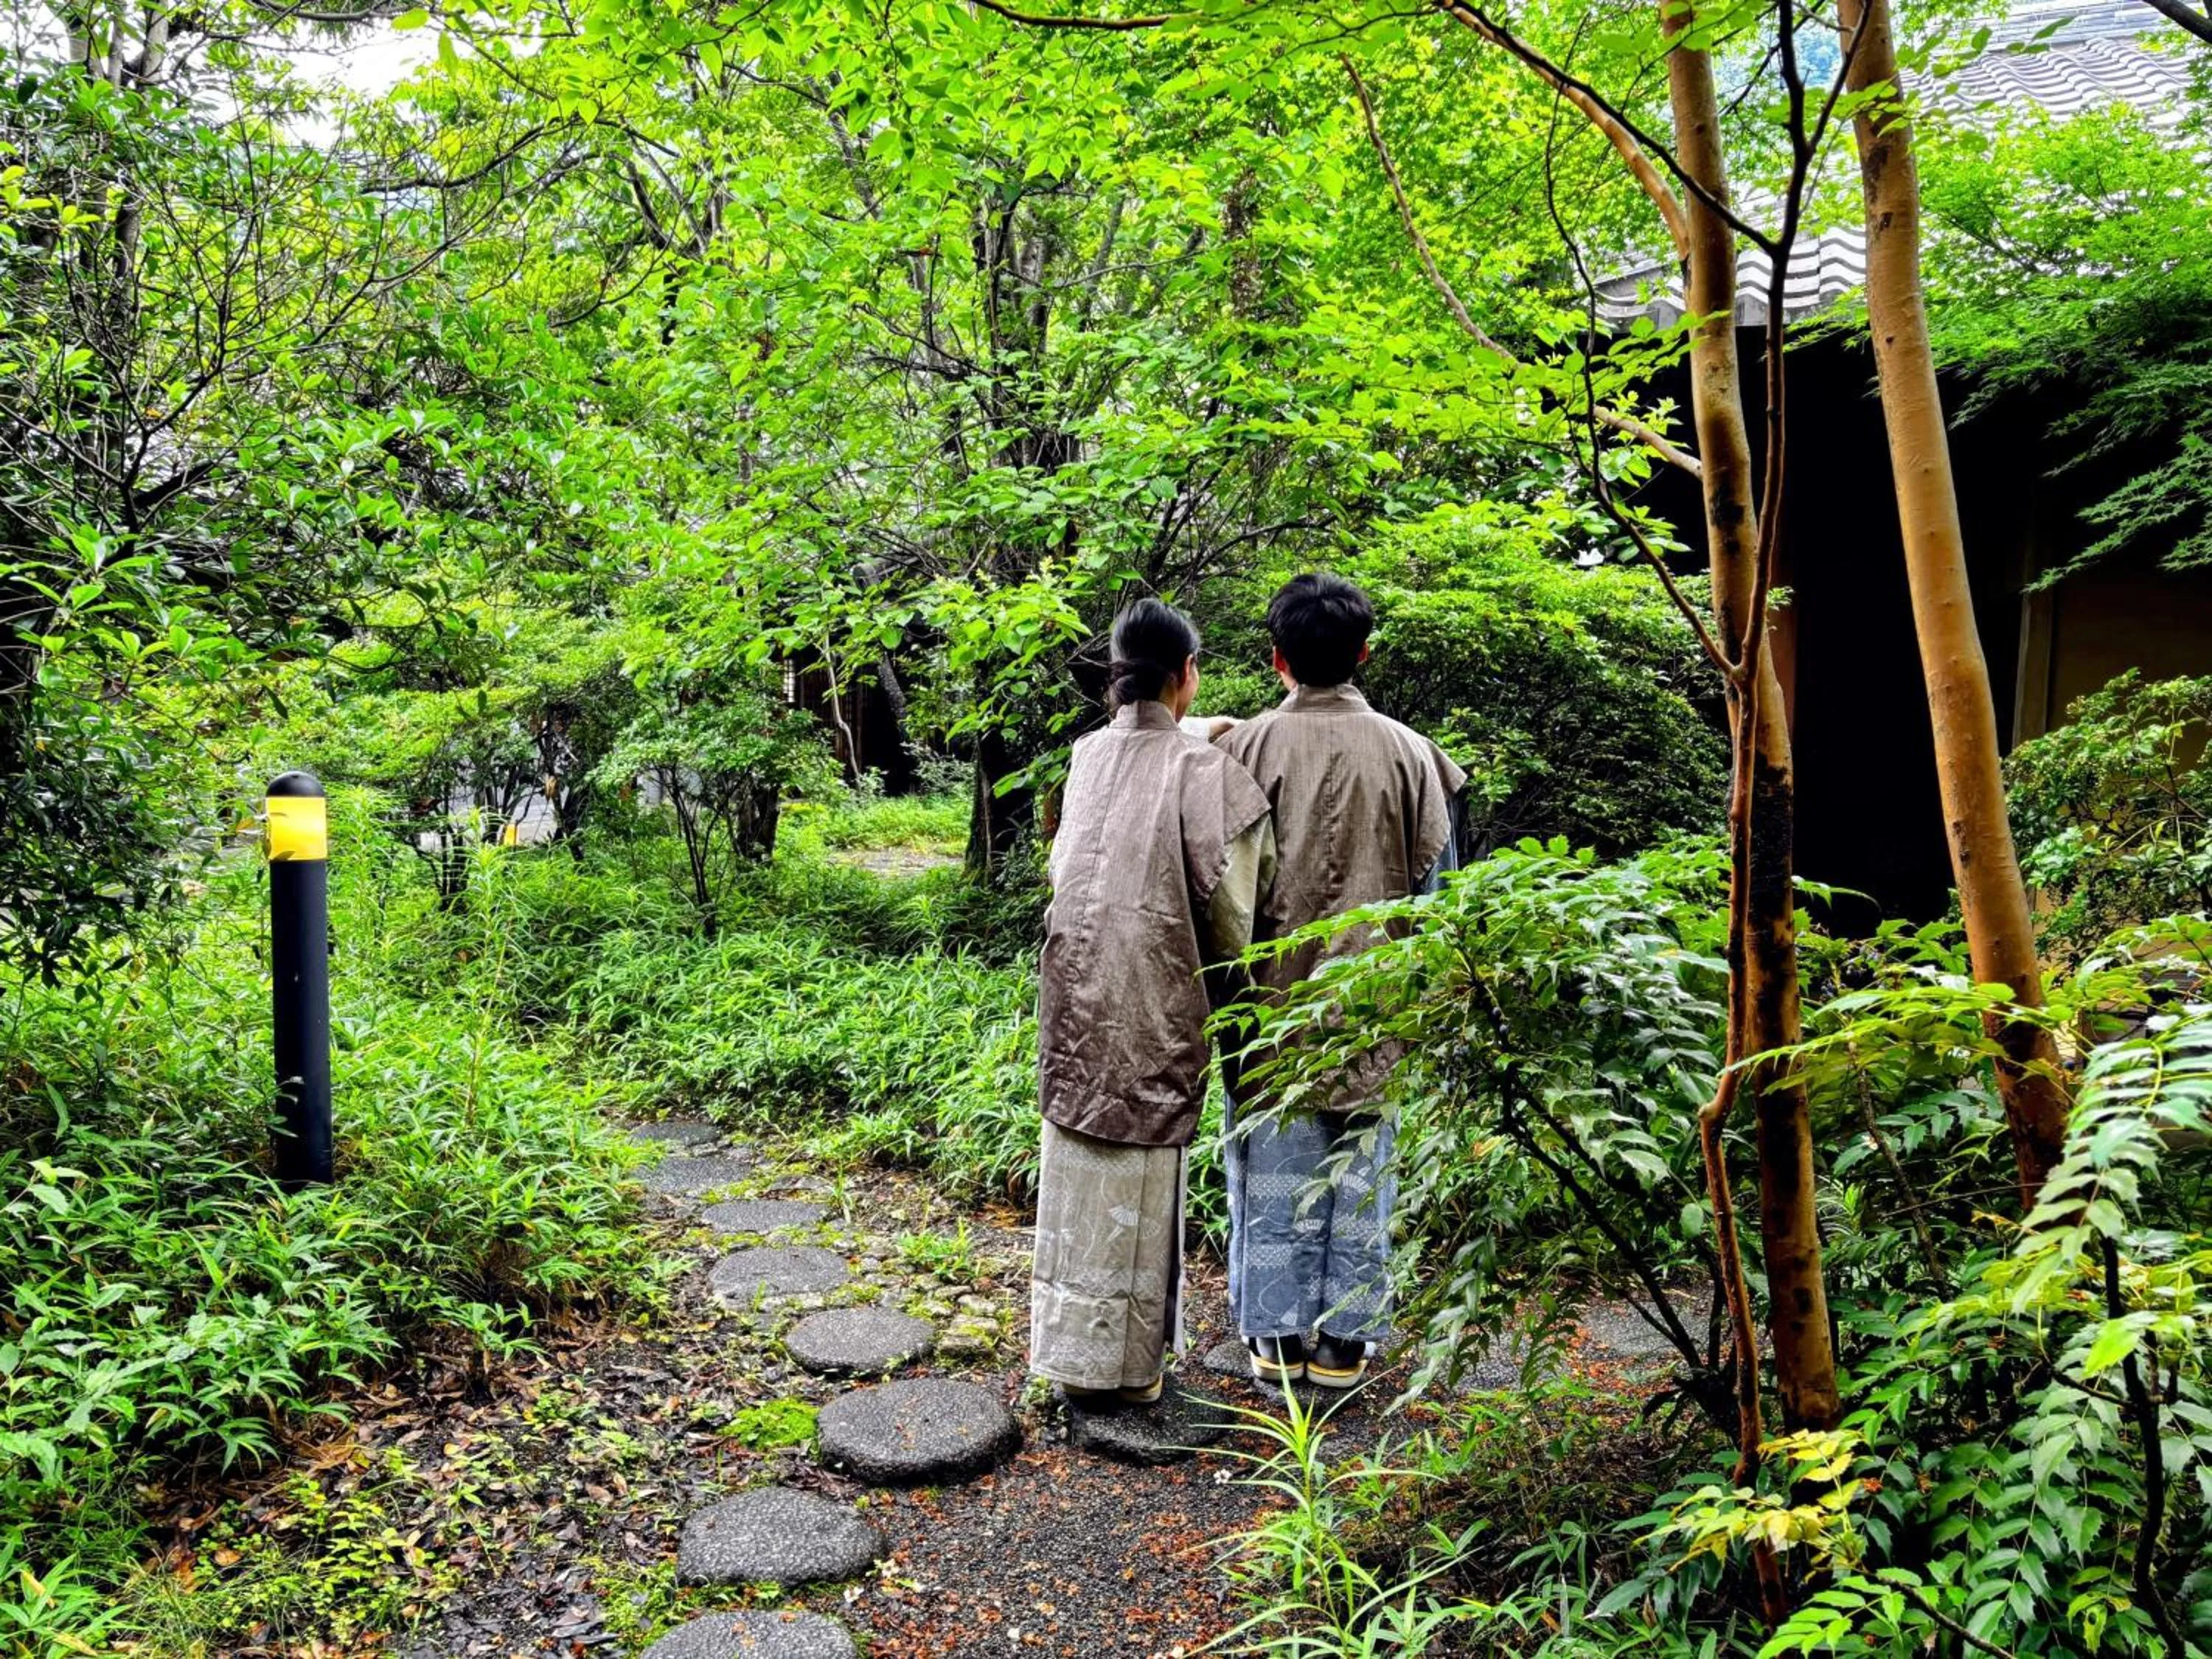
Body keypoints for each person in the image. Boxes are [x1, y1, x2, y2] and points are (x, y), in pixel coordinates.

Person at [1215, 573, 1466, 1389]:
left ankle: (1275, 1342)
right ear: (1363, 653)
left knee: (1272, 1173)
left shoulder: (1240, 749)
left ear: (1276, 658)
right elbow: (1440, 895)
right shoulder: (1411, 752)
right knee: (1362, 1178)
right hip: (1374, 1007)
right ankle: (1343, 1348)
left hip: (1266, 1010)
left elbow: (1213, 890)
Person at [1030, 598, 1277, 1405]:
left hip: (1075, 991)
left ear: (1117, 678)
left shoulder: (1087, 755)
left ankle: (1068, 1357)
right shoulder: (1206, 771)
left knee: (1076, 1179)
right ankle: (1128, 1374)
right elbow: (1235, 913)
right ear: (1186, 677)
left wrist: (1196, 731)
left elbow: (1066, 863)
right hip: (1152, 998)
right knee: (1136, 1188)